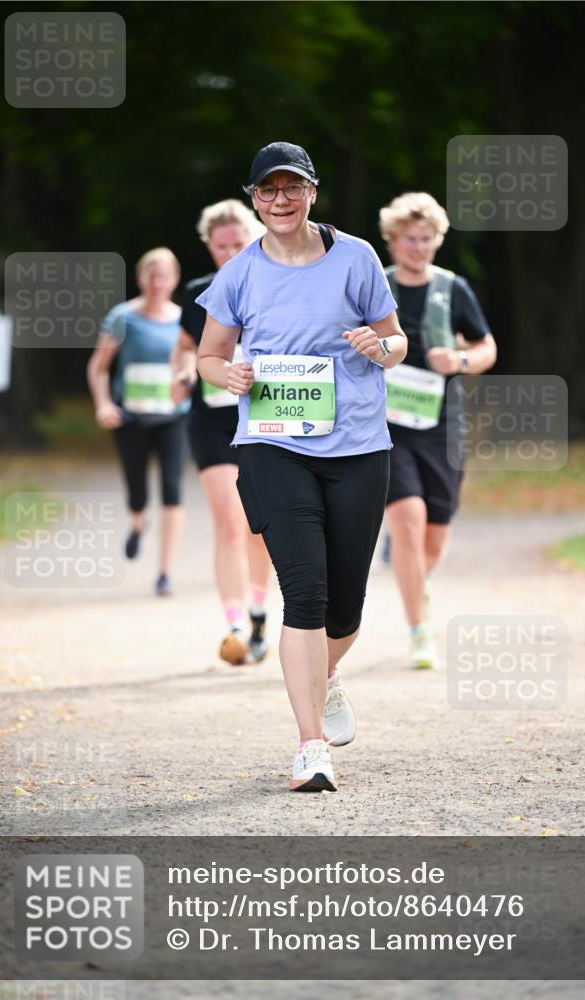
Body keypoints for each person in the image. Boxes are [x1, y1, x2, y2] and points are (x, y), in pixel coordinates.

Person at [196, 142, 407, 792]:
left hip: (358, 445)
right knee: (305, 593)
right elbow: (208, 355)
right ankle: (310, 747)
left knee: (345, 609)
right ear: (254, 198)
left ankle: (327, 672)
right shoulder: (240, 272)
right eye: (268, 190)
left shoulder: (356, 257)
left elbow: (397, 341)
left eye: (292, 188)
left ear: (312, 192)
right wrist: (226, 374)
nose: (280, 200)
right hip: (272, 443)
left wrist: (380, 346)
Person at [378, 192, 497, 668]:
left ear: (438, 240)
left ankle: (415, 580)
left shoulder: (453, 288)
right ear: (393, 240)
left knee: (434, 538)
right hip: (386, 426)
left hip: (442, 425)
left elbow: (486, 347)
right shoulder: (377, 286)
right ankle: (419, 632)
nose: (419, 247)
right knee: (408, 521)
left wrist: (461, 360)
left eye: (426, 239)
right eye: (410, 239)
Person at [171, 201, 273, 666]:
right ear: (208, 247)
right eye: (220, 246)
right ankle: (233, 624)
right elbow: (185, 348)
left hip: (266, 417)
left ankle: (258, 613)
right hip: (212, 420)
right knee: (229, 522)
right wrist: (180, 373)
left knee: (258, 525)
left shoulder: (275, 284)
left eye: (238, 244)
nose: (230, 253)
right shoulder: (198, 293)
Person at [87, 247, 189, 596]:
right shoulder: (123, 317)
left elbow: (192, 363)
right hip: (130, 417)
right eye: (151, 275)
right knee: (137, 491)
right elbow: (98, 368)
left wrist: (186, 381)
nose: (157, 282)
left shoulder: (184, 319)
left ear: (175, 279)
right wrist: (103, 404)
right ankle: (137, 523)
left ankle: (164, 573)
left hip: (173, 417)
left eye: (164, 275)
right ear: (140, 277)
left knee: (173, 489)